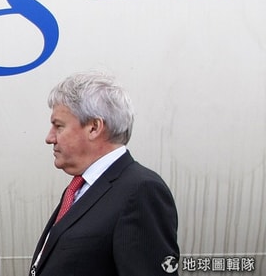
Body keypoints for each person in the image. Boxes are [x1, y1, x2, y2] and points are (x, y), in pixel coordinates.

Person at [29, 71, 180, 276]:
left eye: (59, 126)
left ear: (94, 127)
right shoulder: (81, 189)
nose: (50, 138)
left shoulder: (141, 191)